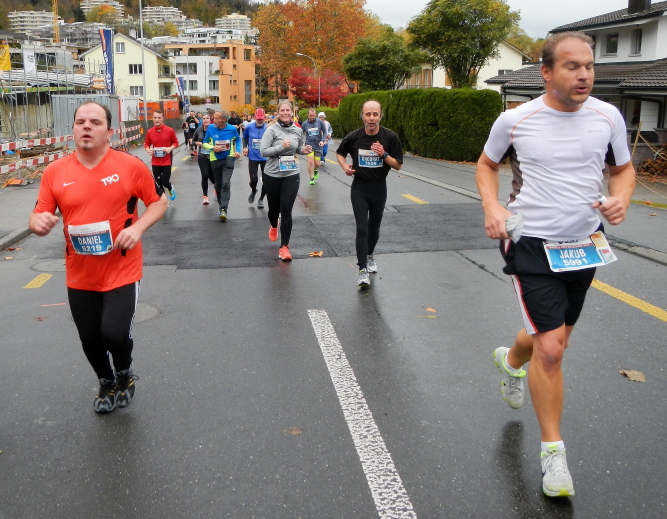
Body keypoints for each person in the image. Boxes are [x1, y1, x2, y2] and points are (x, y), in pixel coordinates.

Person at [475, 31, 636, 497]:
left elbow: (623, 170)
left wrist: (621, 199)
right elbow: (486, 165)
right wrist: (492, 206)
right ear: (546, 72)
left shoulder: (607, 117)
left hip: (585, 243)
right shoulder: (516, 120)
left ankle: (511, 360)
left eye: (589, 66)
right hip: (530, 241)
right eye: (572, 66)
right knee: (551, 350)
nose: (584, 74)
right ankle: (553, 454)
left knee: (556, 336)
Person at [28, 101, 168, 413]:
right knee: (90, 339)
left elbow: (159, 202)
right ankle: (106, 381)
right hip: (80, 272)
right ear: (73, 129)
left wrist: (138, 228)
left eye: (95, 122)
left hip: (122, 267)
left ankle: (124, 372)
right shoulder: (55, 172)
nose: (87, 127)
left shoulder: (130, 165)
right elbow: (37, 216)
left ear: (110, 131)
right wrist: (37, 224)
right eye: (80, 122)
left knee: (115, 334)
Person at [336, 100, 403, 287]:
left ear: (380, 116)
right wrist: (345, 167)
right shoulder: (354, 136)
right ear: (363, 117)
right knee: (362, 228)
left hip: (379, 188)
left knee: (374, 228)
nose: (371, 118)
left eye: (375, 114)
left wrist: (383, 155)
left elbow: (398, 165)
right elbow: (340, 153)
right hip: (360, 188)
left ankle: (370, 255)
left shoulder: (390, 137)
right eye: (368, 114)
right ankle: (362, 269)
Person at [260, 101, 312, 261]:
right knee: (273, 210)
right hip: (272, 174)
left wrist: (304, 150)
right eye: (282, 110)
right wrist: (281, 147)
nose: (285, 112)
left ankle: (284, 247)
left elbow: (298, 148)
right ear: (278, 112)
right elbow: (263, 151)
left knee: (287, 210)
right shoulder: (271, 130)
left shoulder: (297, 130)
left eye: (287, 110)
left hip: (291, 173)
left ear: (292, 112)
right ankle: (274, 225)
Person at [202, 110, 242, 221]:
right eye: (213, 118)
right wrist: (212, 148)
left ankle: (224, 209)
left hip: (228, 157)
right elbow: (204, 142)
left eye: (216, 118)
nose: (213, 120)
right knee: (218, 184)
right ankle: (221, 205)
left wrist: (237, 151)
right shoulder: (211, 128)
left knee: (225, 184)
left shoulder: (232, 129)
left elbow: (238, 140)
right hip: (215, 158)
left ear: (224, 120)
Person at [144, 110, 179, 201]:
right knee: (158, 183)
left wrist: (170, 148)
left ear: (162, 118)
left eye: (159, 118)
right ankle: (163, 201)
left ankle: (170, 188)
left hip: (166, 161)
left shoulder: (170, 130)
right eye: (155, 117)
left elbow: (176, 143)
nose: (157, 120)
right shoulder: (150, 132)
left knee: (164, 182)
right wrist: (148, 150)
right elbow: (146, 144)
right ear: (152, 118)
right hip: (155, 161)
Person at [243, 107, 268, 208]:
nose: (260, 121)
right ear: (255, 117)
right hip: (253, 157)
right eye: (258, 119)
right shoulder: (249, 127)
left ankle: (261, 199)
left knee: (266, 180)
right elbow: (244, 138)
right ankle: (254, 190)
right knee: (253, 180)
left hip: (265, 157)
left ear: (264, 118)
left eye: (261, 119)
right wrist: (245, 147)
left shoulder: (268, 128)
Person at [192, 113, 216, 205]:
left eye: (207, 118)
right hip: (202, 156)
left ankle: (216, 188)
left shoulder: (214, 129)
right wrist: (197, 143)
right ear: (202, 120)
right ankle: (205, 196)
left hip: (213, 156)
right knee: (205, 175)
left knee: (213, 176)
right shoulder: (199, 130)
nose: (205, 120)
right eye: (204, 118)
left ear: (210, 120)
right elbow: (193, 141)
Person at [301, 108, 326, 185]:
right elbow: (301, 133)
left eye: (313, 115)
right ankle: (311, 178)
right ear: (308, 115)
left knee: (317, 164)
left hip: (318, 145)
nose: (312, 117)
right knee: (310, 161)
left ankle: (315, 170)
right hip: (309, 145)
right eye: (310, 115)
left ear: (315, 115)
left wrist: (322, 140)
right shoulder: (305, 124)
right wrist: (302, 143)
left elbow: (325, 131)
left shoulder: (320, 122)